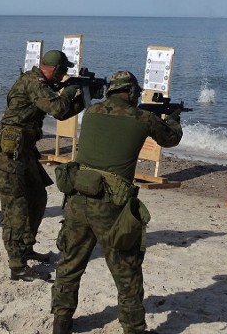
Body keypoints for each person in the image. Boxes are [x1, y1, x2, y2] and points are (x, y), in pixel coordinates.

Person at [50, 71, 183, 334]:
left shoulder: (91, 112)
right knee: (126, 271)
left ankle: (61, 323)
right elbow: (171, 139)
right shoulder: (143, 118)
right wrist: (173, 119)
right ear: (132, 93)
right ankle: (134, 328)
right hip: (111, 206)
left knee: (70, 263)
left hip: (77, 198)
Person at [0, 49, 85, 282]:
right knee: (16, 208)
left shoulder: (39, 83)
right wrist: (71, 92)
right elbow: (58, 109)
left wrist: (82, 99)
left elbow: (63, 113)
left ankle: (25, 248)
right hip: (11, 155)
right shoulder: (33, 82)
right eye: (63, 71)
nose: (63, 76)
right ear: (54, 69)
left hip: (24, 152)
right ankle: (17, 265)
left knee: (37, 197)